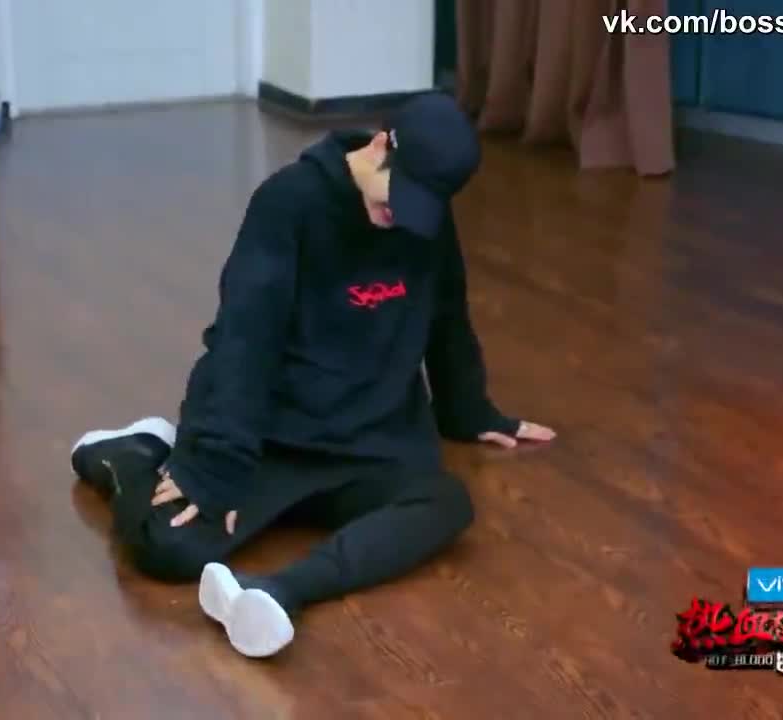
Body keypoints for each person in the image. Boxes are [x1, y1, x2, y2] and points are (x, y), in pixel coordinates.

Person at [69, 92, 556, 659]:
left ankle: (278, 592)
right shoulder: (289, 203)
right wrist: (215, 462)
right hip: (274, 445)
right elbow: (243, 338)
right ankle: (134, 454)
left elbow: (446, 316)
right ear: (381, 145)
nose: (403, 216)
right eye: (400, 196)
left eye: (421, 206)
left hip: (371, 448)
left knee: (447, 503)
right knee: (168, 547)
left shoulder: (425, 220)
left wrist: (468, 410)